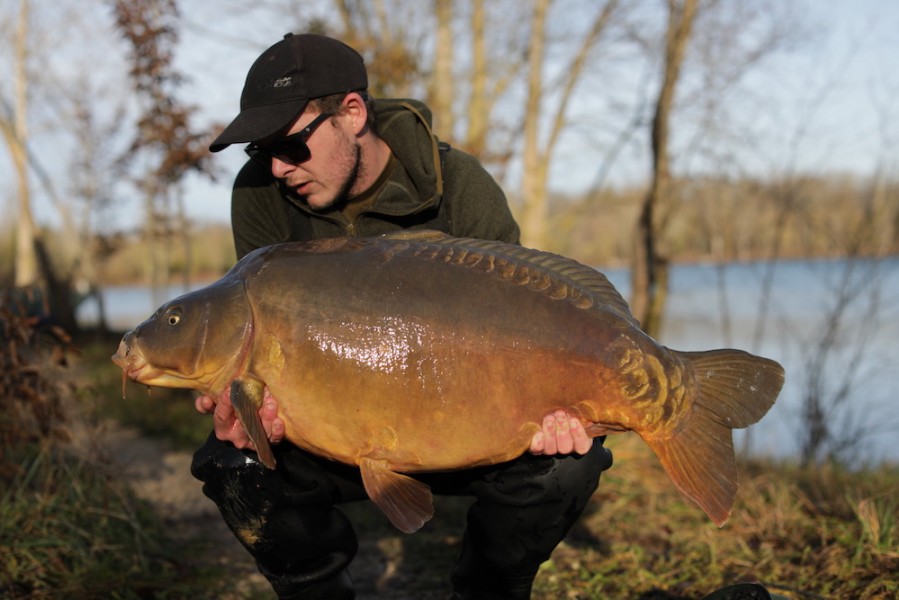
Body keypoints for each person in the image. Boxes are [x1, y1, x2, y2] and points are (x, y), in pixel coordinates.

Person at [191, 32, 613, 600]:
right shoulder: (261, 191)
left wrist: (552, 413)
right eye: (262, 151)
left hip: (466, 427)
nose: (279, 167)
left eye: (291, 146)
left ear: (352, 112)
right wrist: (248, 410)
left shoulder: (460, 186)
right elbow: (262, 339)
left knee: (567, 466)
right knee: (230, 462)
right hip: (335, 433)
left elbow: (523, 325)